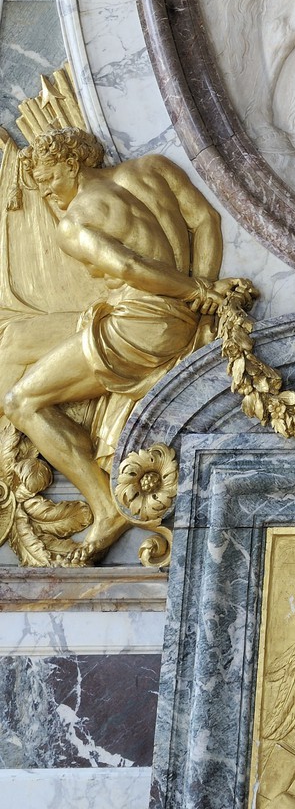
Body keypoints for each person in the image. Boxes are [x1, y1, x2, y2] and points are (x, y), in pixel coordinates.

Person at [0, 128, 226, 555]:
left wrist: (194, 293)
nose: (45, 190)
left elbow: (127, 265)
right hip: (171, 316)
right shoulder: (153, 168)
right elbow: (205, 220)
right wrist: (200, 293)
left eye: (48, 178)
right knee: (14, 339)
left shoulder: (76, 221)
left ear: (72, 163)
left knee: (20, 402)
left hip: (134, 325)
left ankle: (106, 506)